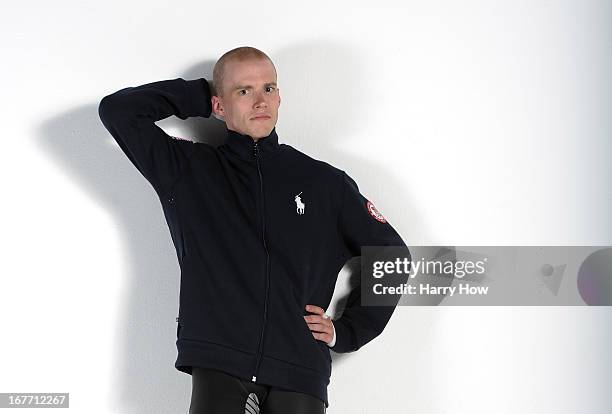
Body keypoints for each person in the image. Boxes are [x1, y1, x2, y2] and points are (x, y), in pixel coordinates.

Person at [98, 46, 410, 414]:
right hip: (221, 362)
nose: (260, 101)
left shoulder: (325, 184)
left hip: (300, 370)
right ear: (219, 105)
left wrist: (349, 330)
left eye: (269, 88)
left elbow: (393, 256)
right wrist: (206, 93)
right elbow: (118, 111)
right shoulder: (187, 170)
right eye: (244, 91)